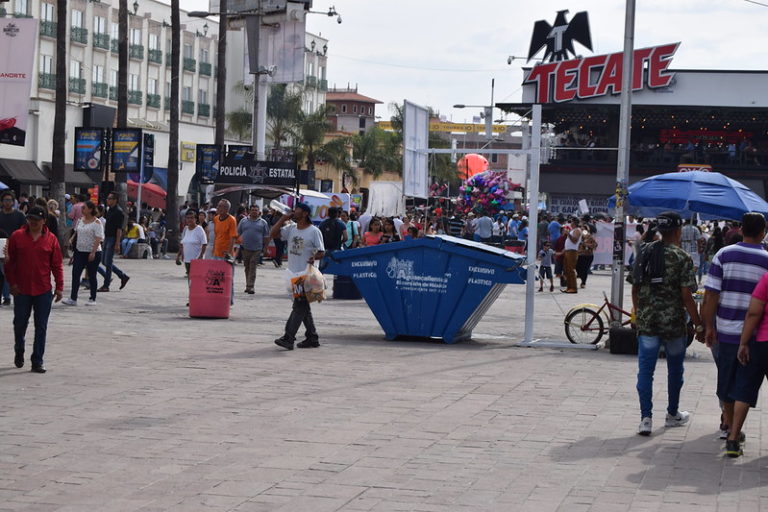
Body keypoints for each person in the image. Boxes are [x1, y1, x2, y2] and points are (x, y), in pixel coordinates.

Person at [630, 211, 704, 436]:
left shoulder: (644, 252)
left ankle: (645, 418)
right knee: (675, 369)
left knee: (645, 370)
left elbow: (634, 288)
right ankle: (672, 414)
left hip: (647, 323)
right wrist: (699, 324)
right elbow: (686, 296)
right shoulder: (682, 257)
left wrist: (638, 313)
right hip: (673, 324)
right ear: (678, 231)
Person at [701, 213, 768, 455]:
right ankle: (732, 431)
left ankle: (730, 426)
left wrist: (708, 326)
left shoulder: (723, 255)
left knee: (726, 381)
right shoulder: (766, 260)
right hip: (757, 334)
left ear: (741, 229)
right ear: (763, 232)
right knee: (746, 383)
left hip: (726, 329)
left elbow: (711, 295)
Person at [5, 206, 64, 373]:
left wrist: (59, 287)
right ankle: (19, 348)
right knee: (20, 323)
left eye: (36, 220)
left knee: (41, 326)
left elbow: (57, 265)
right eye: (30, 219)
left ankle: (37, 360)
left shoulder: (51, 240)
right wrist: (12, 283)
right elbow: (10, 263)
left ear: (44, 221)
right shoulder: (17, 237)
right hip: (22, 289)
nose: (33, 223)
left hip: (43, 290)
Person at [270, 203, 325, 350]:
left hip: (306, 274)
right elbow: (273, 233)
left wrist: (315, 257)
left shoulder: (314, 231)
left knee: (299, 305)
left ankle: (289, 338)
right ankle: (312, 338)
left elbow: (321, 251)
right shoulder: (291, 228)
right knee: (302, 306)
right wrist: (282, 219)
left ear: (305, 213)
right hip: (293, 273)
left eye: (297, 210)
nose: (294, 212)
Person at [62, 201, 103, 306]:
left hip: (93, 251)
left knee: (92, 275)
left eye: (84, 208)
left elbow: (99, 238)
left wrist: (93, 252)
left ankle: (92, 298)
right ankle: (73, 298)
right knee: (75, 273)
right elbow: (76, 232)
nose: (82, 209)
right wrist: (71, 239)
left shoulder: (97, 222)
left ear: (90, 209)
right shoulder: (80, 220)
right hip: (79, 251)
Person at [97, 192, 130, 292]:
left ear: (115, 200)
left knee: (108, 262)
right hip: (107, 237)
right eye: (107, 198)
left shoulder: (118, 212)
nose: (108, 200)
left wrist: (117, 243)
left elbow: (119, 229)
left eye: (110, 198)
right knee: (104, 261)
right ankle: (122, 275)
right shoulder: (109, 210)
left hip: (112, 238)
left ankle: (106, 285)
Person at [0, 190, 27, 305]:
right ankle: (5, 296)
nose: (7, 202)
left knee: (10, 272)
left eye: (9, 200)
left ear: (13, 201)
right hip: (1, 245)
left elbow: (25, 230)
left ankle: (9, 295)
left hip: (15, 246)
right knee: (2, 272)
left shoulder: (19, 215)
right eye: (5, 200)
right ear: (1, 202)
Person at [237, 204, 270, 294]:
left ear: (259, 212)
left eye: (256, 210)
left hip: (257, 249)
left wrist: (265, 248)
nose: (254, 211)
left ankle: (251, 286)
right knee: (247, 267)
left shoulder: (263, 223)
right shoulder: (243, 221)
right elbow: (238, 233)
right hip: (245, 248)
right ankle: (248, 284)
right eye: (252, 210)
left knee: (252, 266)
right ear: (249, 211)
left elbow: (266, 236)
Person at [212, 199, 238, 304]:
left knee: (228, 277)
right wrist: (214, 248)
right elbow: (216, 235)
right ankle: (218, 296)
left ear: (226, 209)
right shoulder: (216, 219)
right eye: (218, 206)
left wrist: (228, 252)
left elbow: (233, 237)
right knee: (216, 277)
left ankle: (229, 299)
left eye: (220, 206)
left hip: (226, 254)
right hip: (216, 252)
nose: (218, 208)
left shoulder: (232, 220)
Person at [177, 209, 207, 278]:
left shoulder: (199, 229)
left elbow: (204, 244)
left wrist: (201, 256)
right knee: (189, 280)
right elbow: (182, 244)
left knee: (195, 279)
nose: (189, 220)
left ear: (196, 219)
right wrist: (178, 256)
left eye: (191, 218)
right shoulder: (185, 229)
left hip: (196, 261)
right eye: (187, 218)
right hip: (187, 261)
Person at [561, 217, 582, 293]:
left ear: (575, 223)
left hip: (572, 252)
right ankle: (569, 287)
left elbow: (574, 241)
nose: (570, 223)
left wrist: (568, 234)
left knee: (571, 270)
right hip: (568, 251)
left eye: (571, 222)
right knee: (567, 270)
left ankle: (573, 288)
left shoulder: (577, 230)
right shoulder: (572, 230)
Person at [576, 221, 598, 289]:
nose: (582, 231)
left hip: (588, 255)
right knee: (578, 268)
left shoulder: (590, 237)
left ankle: (583, 282)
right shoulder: (578, 237)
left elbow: (595, 245)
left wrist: (587, 245)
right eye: (581, 229)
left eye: (583, 229)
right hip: (579, 255)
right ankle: (580, 276)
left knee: (585, 269)